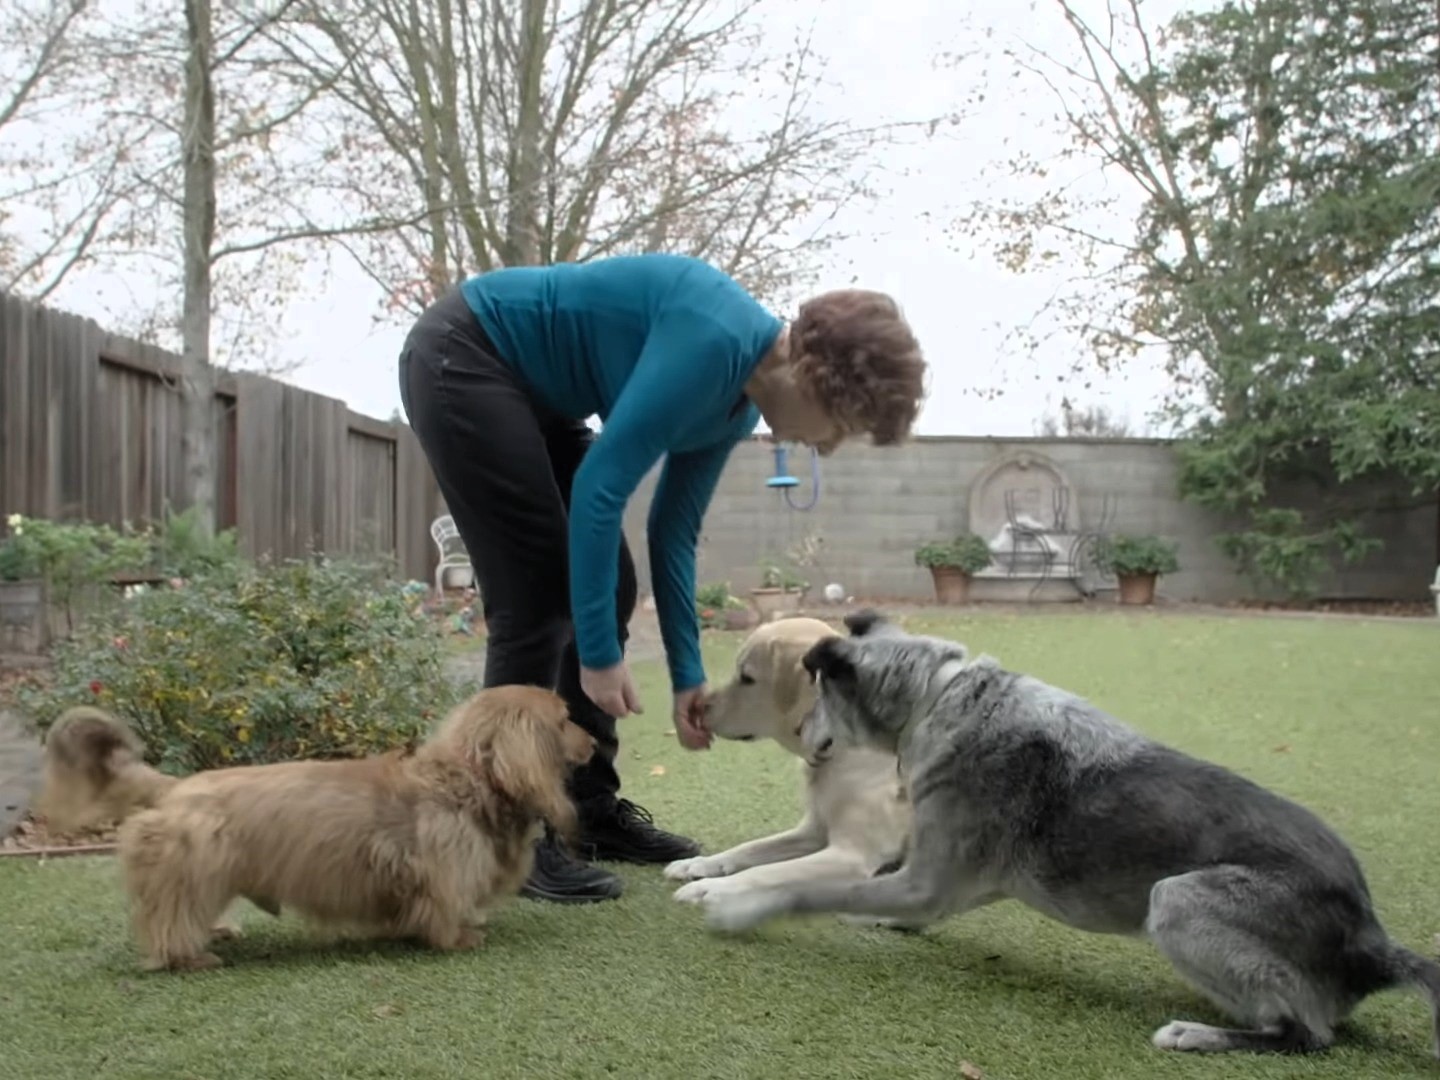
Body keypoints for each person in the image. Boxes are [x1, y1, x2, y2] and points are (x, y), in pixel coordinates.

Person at [397, 252, 927, 904]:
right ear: (818, 381)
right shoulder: (713, 342)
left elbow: (672, 534)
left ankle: (585, 811)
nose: (830, 446)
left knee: (610, 585)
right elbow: (599, 490)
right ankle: (505, 830)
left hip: (535, 397)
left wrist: (688, 679)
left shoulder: (734, 405)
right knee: (536, 597)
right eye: (844, 426)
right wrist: (597, 656)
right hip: (465, 357)